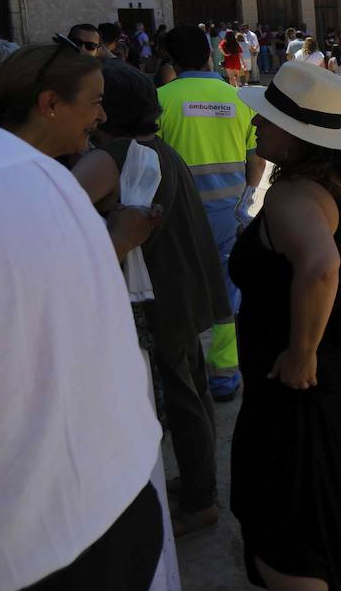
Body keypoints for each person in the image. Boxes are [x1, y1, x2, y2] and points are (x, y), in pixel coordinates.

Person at [0, 120, 166, 591]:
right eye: (92, 101)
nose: (99, 117)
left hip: (51, 533)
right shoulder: (38, 175)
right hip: (104, 503)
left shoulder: (36, 175)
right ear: (48, 105)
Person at [231, 62, 341, 587]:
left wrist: (301, 352)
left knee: (293, 534)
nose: (255, 125)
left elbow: (322, 267)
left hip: (300, 394)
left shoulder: (295, 196)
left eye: (266, 119)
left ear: (297, 136)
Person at [73, 60, 232, 539]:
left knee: (181, 393)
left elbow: (59, 203)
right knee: (193, 388)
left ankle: (201, 499)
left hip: (162, 292)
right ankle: (201, 482)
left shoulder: (113, 157)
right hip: (183, 284)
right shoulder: (156, 148)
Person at [157, 26, 266, 402]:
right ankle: (224, 376)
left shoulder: (160, 100)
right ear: (210, 55)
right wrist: (246, 197)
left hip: (176, 217)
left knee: (179, 292)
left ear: (170, 61)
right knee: (227, 295)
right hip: (229, 214)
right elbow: (256, 157)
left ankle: (187, 376)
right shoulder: (238, 100)